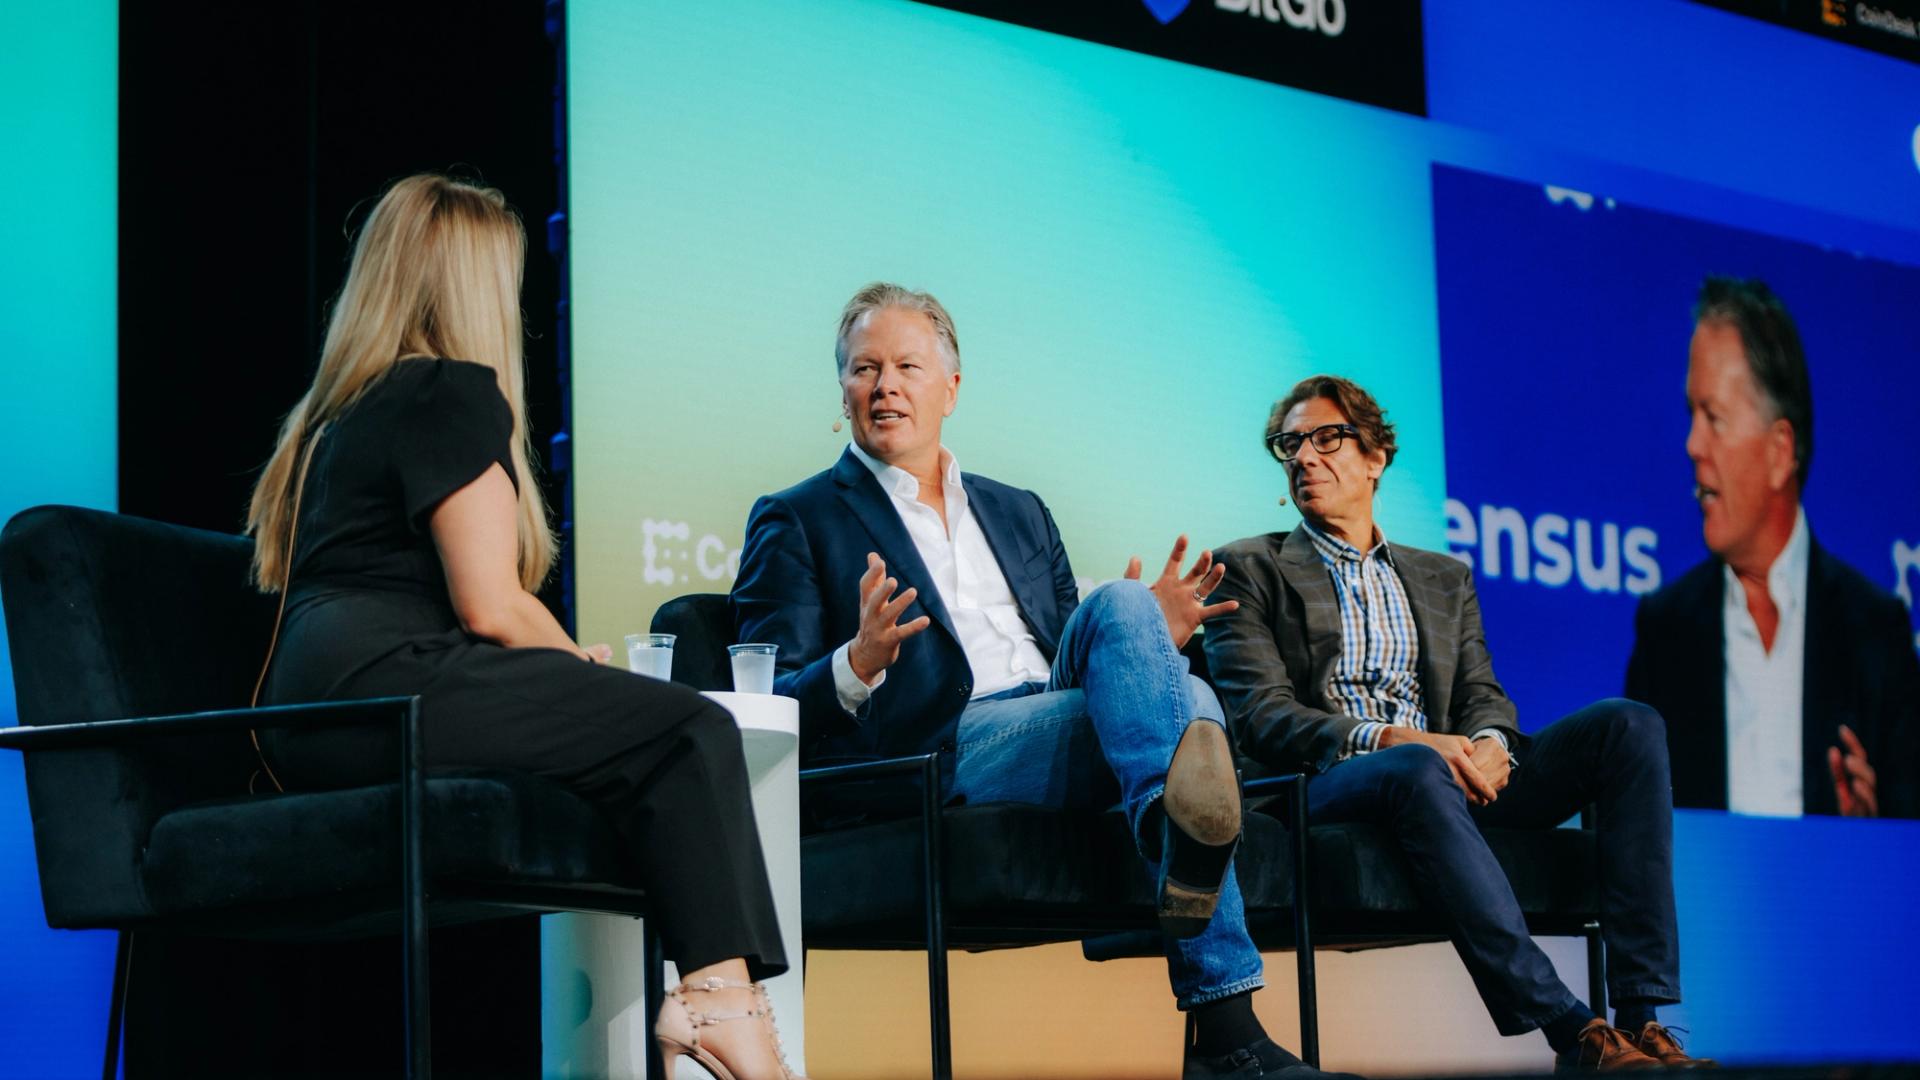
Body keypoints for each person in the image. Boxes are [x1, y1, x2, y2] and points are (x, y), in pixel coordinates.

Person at [248, 174, 801, 1080]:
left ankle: (717, 1004)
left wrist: (570, 676)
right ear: (476, 285)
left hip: (316, 709)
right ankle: (719, 1007)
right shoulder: (448, 390)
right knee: (688, 729)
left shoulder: (338, 413)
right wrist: (581, 669)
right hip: (385, 687)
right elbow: (491, 604)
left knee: (645, 741)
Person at [732, 283, 1342, 1079]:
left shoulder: (1018, 509)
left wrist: (1148, 640)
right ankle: (1223, 1017)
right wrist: (857, 662)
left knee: (1128, 610)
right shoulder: (798, 516)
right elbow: (765, 696)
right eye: (864, 368)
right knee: (1190, 708)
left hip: (1053, 709)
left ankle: (1170, 833)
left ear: (951, 388)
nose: (885, 387)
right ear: (842, 389)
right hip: (945, 746)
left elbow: (1069, 650)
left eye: (907, 367)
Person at [1204, 375, 1709, 1071]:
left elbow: (1481, 693)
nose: (1305, 457)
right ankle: (1573, 1031)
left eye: (1327, 438)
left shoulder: (1443, 577)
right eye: (1290, 445)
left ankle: (1642, 1019)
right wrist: (1393, 738)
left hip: (1447, 777)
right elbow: (1263, 717)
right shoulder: (1247, 567)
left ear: (1375, 457)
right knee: (1415, 766)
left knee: (1629, 724)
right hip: (1331, 782)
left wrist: (1493, 744)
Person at [1626, 276, 1919, 819]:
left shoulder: (1877, 633)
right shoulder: (1664, 633)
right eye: (1691, 416)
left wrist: (1873, 835)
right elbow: (1629, 827)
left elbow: (1908, 836)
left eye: (1713, 418)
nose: (1692, 445)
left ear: (1779, 451)